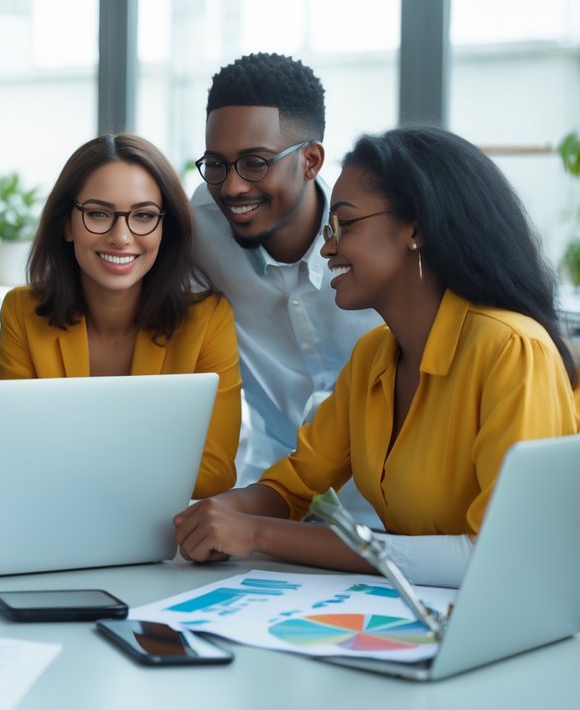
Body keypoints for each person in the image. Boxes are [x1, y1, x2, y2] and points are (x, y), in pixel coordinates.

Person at [173, 125, 579, 586]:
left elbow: (496, 555)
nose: (328, 248)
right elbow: (294, 486)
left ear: (415, 230)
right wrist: (211, 514)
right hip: (415, 610)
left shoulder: (512, 349)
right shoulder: (373, 356)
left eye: (346, 225)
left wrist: (257, 533)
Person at [188, 53, 384, 519]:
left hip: (388, 508)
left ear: (311, 160)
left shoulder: (382, 241)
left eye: (255, 163)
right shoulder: (197, 230)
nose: (232, 188)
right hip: (269, 498)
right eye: (216, 164)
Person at [0, 134, 241, 499]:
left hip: (159, 527)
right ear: (67, 224)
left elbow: (215, 470)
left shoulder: (208, 319)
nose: (121, 237)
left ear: (165, 228)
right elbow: (13, 452)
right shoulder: (22, 312)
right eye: (99, 213)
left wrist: (70, 465)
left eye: (144, 216)